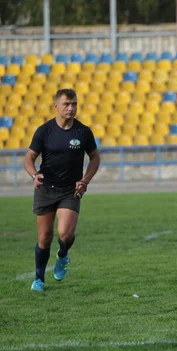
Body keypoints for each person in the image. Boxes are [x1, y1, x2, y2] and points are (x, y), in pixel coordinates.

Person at [24, 88, 100, 291]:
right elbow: (29, 158)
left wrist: (85, 180)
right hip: (46, 188)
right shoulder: (44, 131)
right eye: (67, 104)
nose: (71, 108)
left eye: (74, 103)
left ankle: (63, 254)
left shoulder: (83, 132)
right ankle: (39, 279)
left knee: (65, 234)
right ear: (56, 105)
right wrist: (34, 175)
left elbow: (95, 157)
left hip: (70, 190)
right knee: (44, 237)